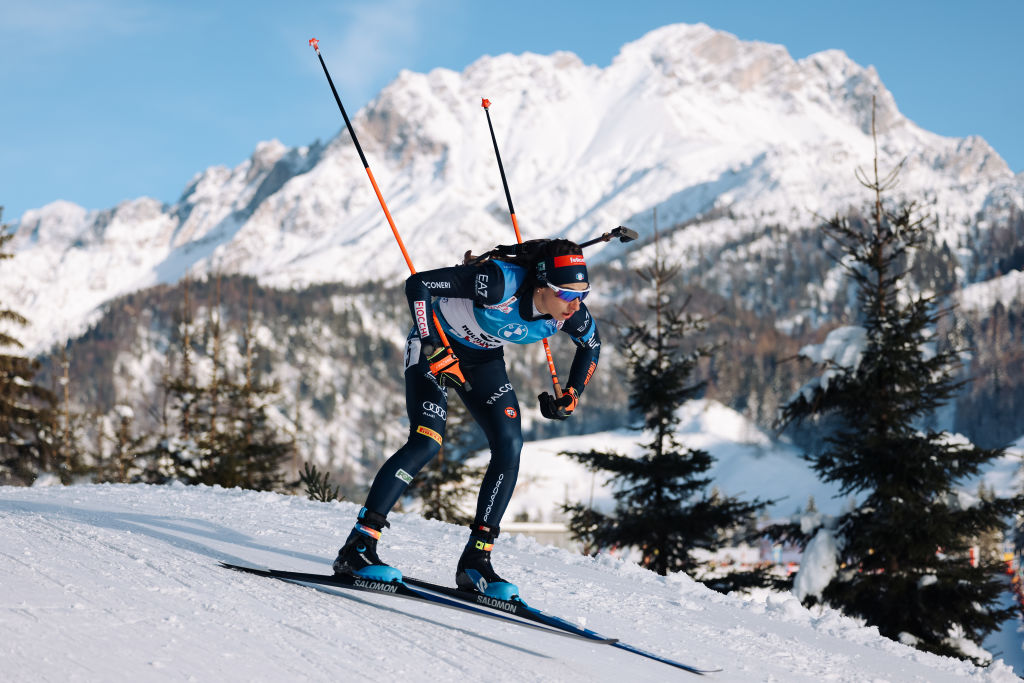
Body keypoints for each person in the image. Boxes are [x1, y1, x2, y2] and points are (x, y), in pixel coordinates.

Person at [333, 238, 601, 600]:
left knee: (510, 445)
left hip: (483, 361)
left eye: (582, 294)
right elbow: (419, 285)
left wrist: (572, 393)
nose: (575, 304)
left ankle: (476, 561)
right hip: (436, 347)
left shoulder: (570, 313)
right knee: (427, 440)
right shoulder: (497, 283)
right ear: (542, 285)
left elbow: (591, 344)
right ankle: (358, 546)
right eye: (567, 294)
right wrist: (432, 344)